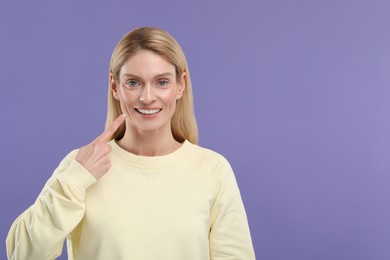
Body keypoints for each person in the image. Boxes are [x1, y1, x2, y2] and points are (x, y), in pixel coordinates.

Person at [6, 27, 255, 260]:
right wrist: (74, 180)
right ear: (115, 86)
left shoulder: (213, 170)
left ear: (181, 85)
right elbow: (23, 254)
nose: (147, 97)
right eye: (133, 83)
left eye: (162, 82)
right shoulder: (81, 166)